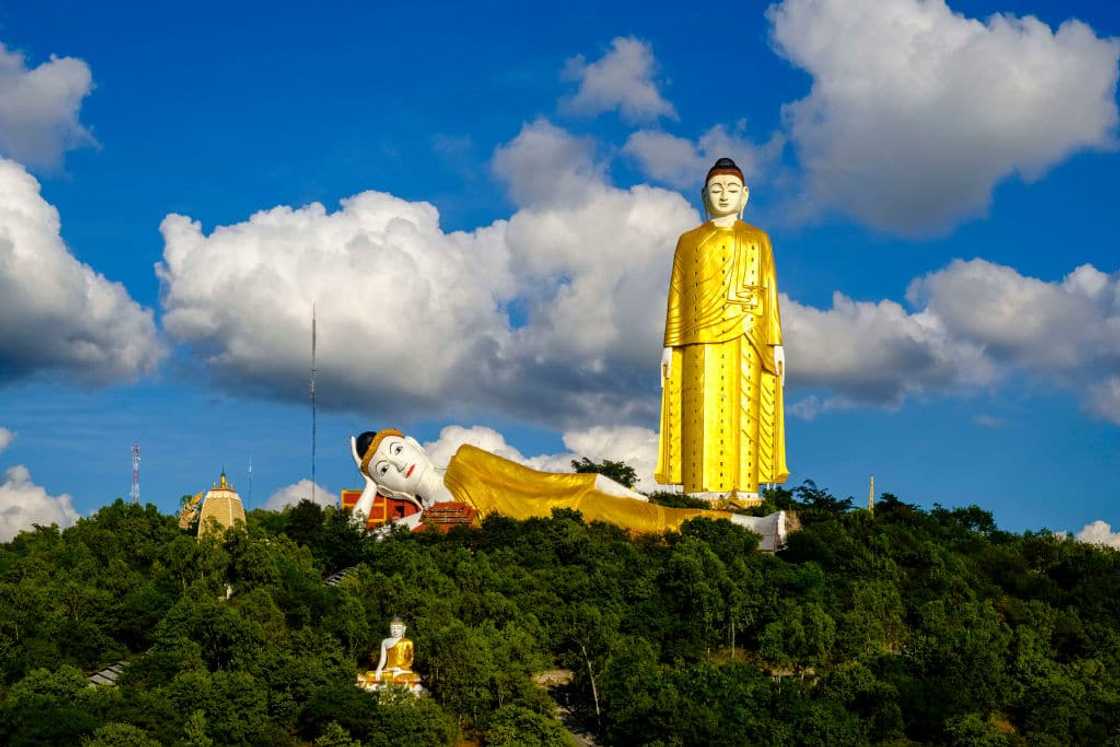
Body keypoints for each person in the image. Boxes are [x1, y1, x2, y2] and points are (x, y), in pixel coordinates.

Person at [349, 428, 788, 550]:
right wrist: (368, 486)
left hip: (573, 509)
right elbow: (355, 537)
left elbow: (532, 481)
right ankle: (750, 537)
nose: (398, 466)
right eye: (385, 469)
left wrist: (608, 486)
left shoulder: (465, 461)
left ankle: (753, 529)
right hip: (548, 547)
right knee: (652, 540)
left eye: (395, 451)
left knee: (656, 519)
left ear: (412, 445)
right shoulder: (419, 521)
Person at [655, 157, 789, 503]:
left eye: (732, 189)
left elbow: (770, 292)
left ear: (745, 196)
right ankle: (700, 489)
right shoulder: (688, 241)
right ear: (703, 196)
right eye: (716, 189)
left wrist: (776, 343)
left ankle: (744, 490)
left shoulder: (759, 239)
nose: (724, 195)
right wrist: (669, 344)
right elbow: (677, 293)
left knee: (745, 407)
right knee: (701, 406)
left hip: (748, 332)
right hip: (698, 336)